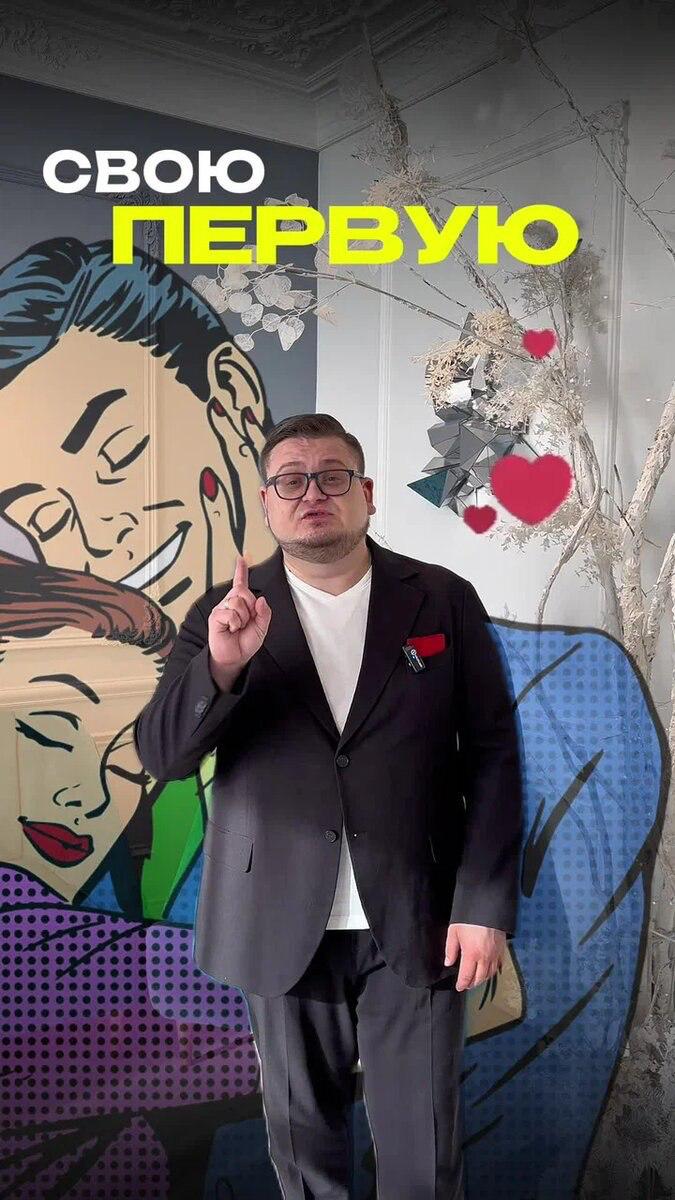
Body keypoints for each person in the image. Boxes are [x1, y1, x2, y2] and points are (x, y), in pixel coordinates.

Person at [133, 412, 525, 1200]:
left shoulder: (440, 599)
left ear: (366, 494)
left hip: (420, 916)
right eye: (290, 480)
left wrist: (482, 905)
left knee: (425, 1158)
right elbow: (163, 757)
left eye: (331, 476)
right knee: (305, 1156)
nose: (311, 492)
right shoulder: (224, 614)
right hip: (277, 919)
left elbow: (492, 756)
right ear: (267, 503)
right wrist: (222, 665)